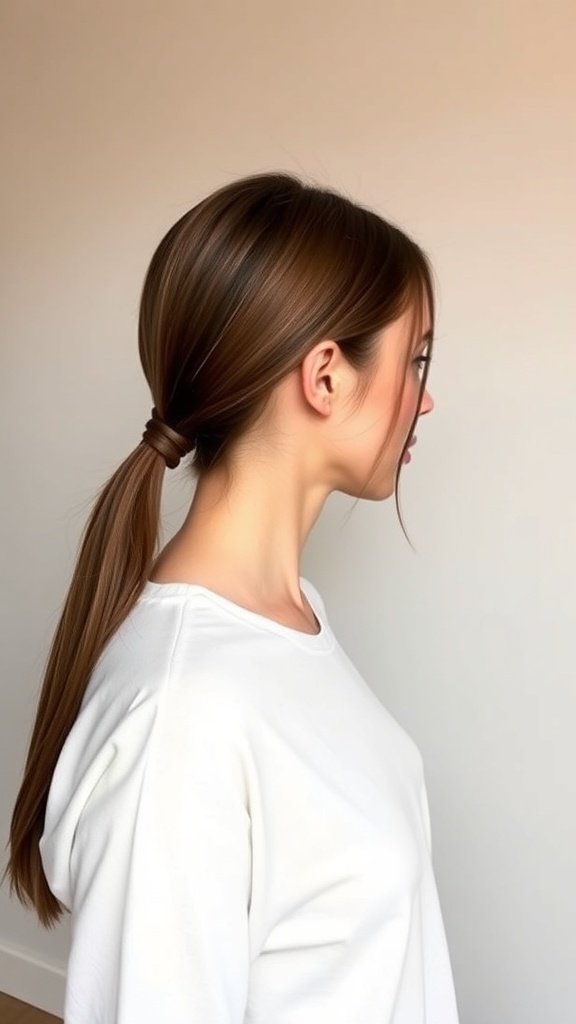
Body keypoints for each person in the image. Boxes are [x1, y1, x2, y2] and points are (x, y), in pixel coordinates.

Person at [5, 172, 460, 1023]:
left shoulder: (293, 620)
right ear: (325, 375)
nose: (425, 397)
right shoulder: (184, 714)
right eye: (417, 358)